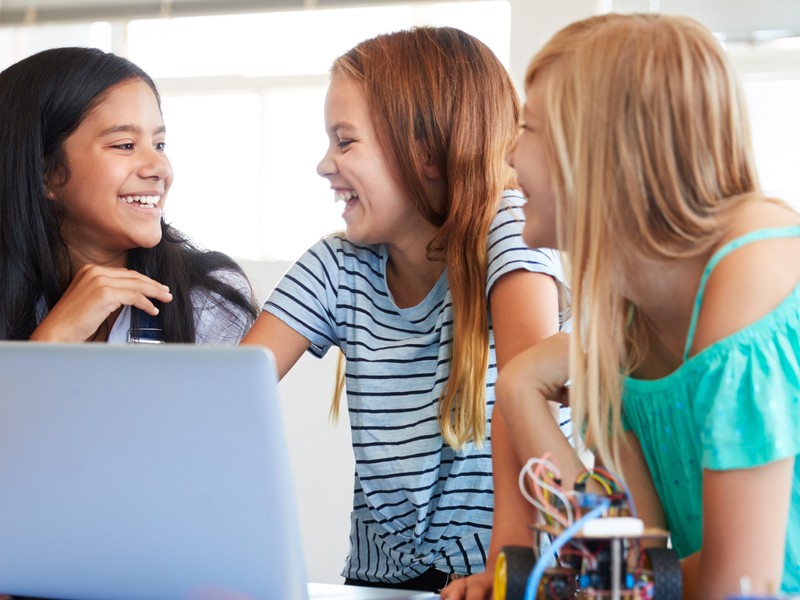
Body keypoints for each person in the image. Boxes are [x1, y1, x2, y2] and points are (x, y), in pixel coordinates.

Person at [444, 13, 800, 600]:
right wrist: (518, 391)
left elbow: (737, 586)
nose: (508, 155)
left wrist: (598, 584)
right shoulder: (626, 314)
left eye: (528, 127)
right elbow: (638, 558)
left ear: (599, 147)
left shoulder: (748, 273)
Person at [242, 26, 568, 591]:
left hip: (513, 568)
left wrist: (506, 570)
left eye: (345, 142)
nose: (325, 165)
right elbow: (227, 392)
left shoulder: (508, 230)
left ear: (428, 152)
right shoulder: (337, 266)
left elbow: (526, 395)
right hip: (383, 580)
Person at [0, 47, 258, 344]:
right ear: (45, 173)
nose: (159, 168)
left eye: (159, 144)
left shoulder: (209, 299)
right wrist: (54, 338)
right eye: (125, 145)